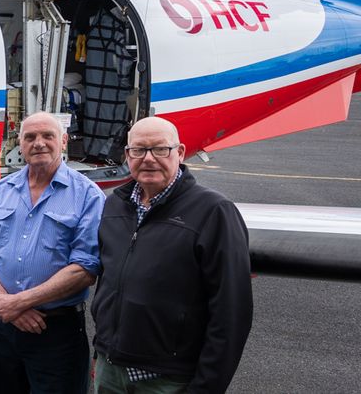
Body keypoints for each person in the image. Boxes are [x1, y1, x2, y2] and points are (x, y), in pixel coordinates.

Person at [92, 117, 252, 394]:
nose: (149, 158)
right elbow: (108, 281)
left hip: (167, 380)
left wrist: (206, 387)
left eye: (160, 149)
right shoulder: (115, 204)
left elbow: (232, 312)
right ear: (127, 155)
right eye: (138, 150)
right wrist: (102, 349)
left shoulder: (214, 211)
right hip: (111, 370)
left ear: (179, 152)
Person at [0, 112, 103, 394]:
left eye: (47, 136)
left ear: (63, 141)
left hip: (54, 331)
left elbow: (85, 267)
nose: (38, 143)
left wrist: (20, 302)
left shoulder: (88, 195)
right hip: (0, 325)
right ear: (20, 143)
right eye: (30, 137)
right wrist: (8, 304)